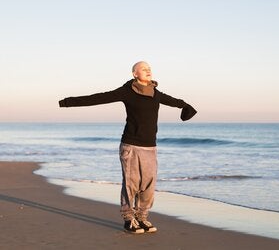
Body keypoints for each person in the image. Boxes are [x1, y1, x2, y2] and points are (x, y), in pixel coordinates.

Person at [58, 61, 197, 234]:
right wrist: (67, 102)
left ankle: (142, 217)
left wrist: (186, 106)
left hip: (150, 147)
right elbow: (100, 97)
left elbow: (175, 101)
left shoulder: (156, 93)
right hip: (130, 145)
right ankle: (128, 219)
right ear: (134, 73)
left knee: (148, 185)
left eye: (149, 68)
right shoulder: (127, 91)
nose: (148, 70)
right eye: (143, 69)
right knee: (131, 184)